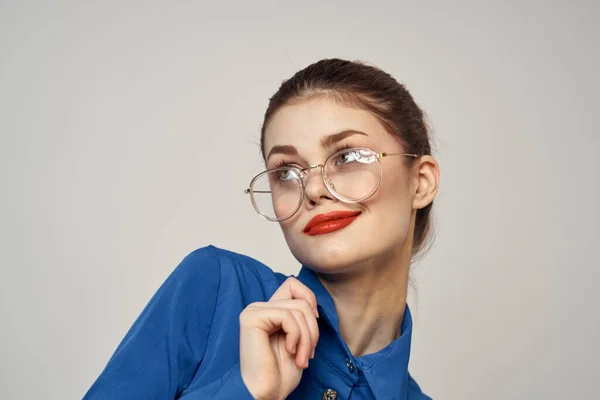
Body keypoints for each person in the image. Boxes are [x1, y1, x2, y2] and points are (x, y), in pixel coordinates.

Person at [83, 58, 440, 400]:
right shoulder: (216, 292)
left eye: (347, 157)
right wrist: (246, 388)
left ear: (421, 182)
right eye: (286, 172)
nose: (313, 189)